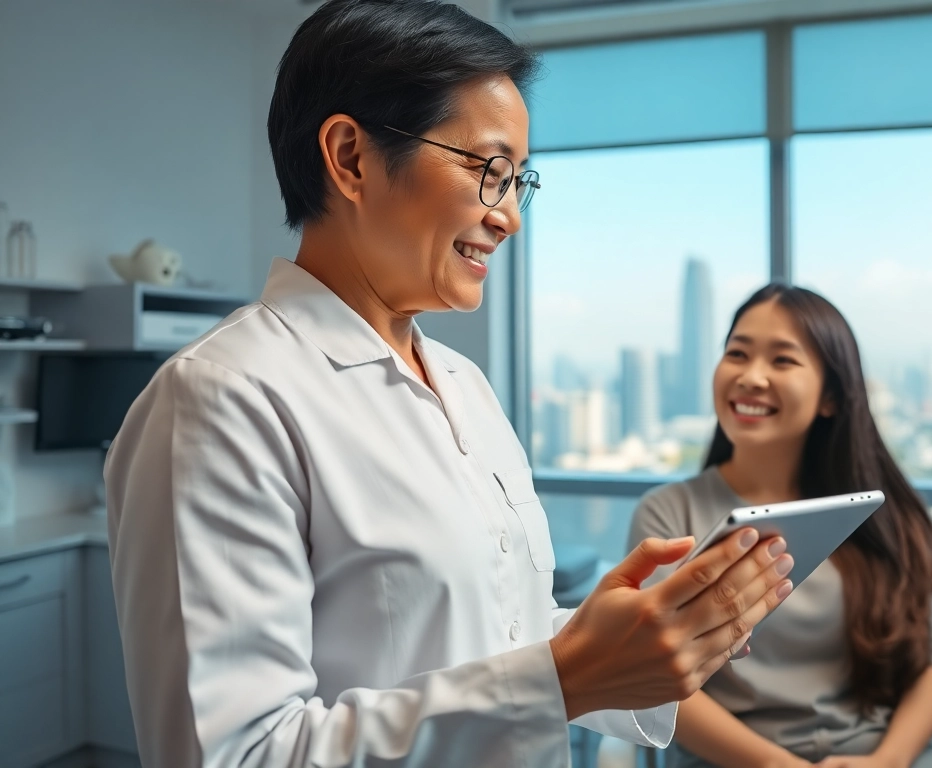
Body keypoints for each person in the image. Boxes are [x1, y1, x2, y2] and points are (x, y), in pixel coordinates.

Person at [103, 2, 793, 766]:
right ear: (351, 158)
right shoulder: (220, 401)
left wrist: (629, 635)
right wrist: (564, 677)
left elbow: (498, 638)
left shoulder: (465, 385)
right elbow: (237, 754)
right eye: (487, 170)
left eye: (518, 180)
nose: (510, 219)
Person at [629, 285, 932, 768]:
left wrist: (888, 760)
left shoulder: (874, 515)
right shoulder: (669, 515)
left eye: (782, 361)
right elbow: (657, 679)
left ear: (830, 398)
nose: (751, 376)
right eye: (737, 353)